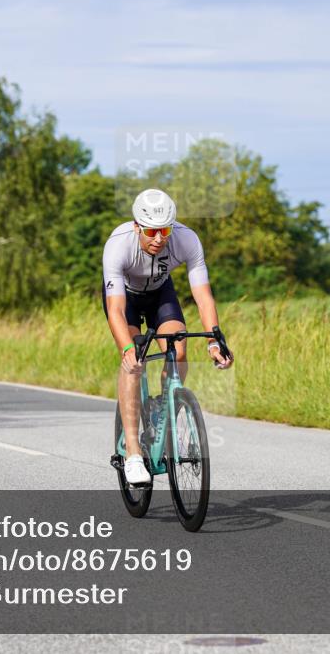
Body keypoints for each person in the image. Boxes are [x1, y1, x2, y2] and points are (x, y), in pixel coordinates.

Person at [102, 188, 234, 485]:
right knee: (134, 363)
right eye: (151, 231)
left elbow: (203, 296)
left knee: (180, 349)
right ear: (137, 226)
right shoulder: (118, 245)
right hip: (128, 299)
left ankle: (165, 409)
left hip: (161, 293)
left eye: (165, 230)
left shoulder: (187, 239)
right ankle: (134, 453)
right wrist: (127, 348)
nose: (159, 238)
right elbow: (116, 310)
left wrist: (215, 341)